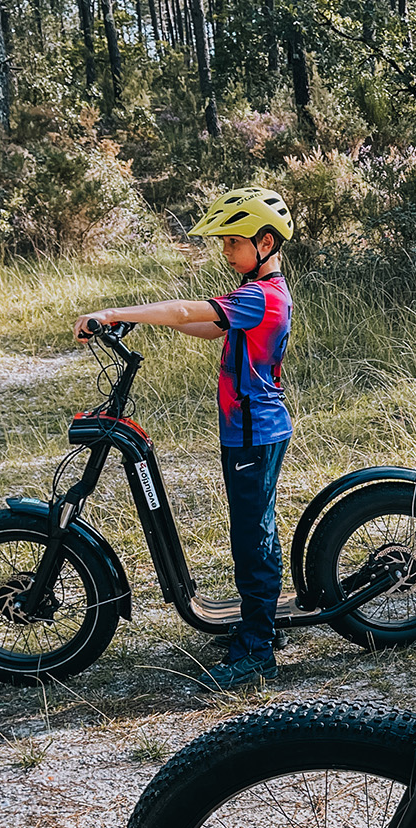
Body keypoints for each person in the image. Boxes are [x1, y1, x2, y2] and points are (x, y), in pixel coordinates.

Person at [74, 187, 296, 688]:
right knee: (255, 527)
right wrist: (169, 324)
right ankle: (261, 623)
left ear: (264, 242)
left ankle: (258, 648)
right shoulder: (260, 295)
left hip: (253, 433)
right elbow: (210, 327)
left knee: (252, 535)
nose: (225, 251)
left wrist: (114, 314)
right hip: (252, 430)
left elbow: (183, 312)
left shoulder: (261, 295)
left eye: (232, 242)